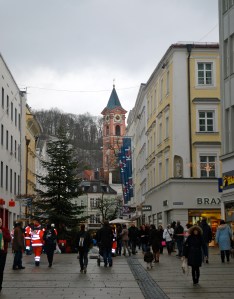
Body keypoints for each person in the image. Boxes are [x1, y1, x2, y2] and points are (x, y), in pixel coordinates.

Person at [0, 217, 11, 292]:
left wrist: (2, 234)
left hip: (2, 252)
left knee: (0, 270)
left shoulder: (4, 230)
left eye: (0, 222)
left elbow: (9, 239)